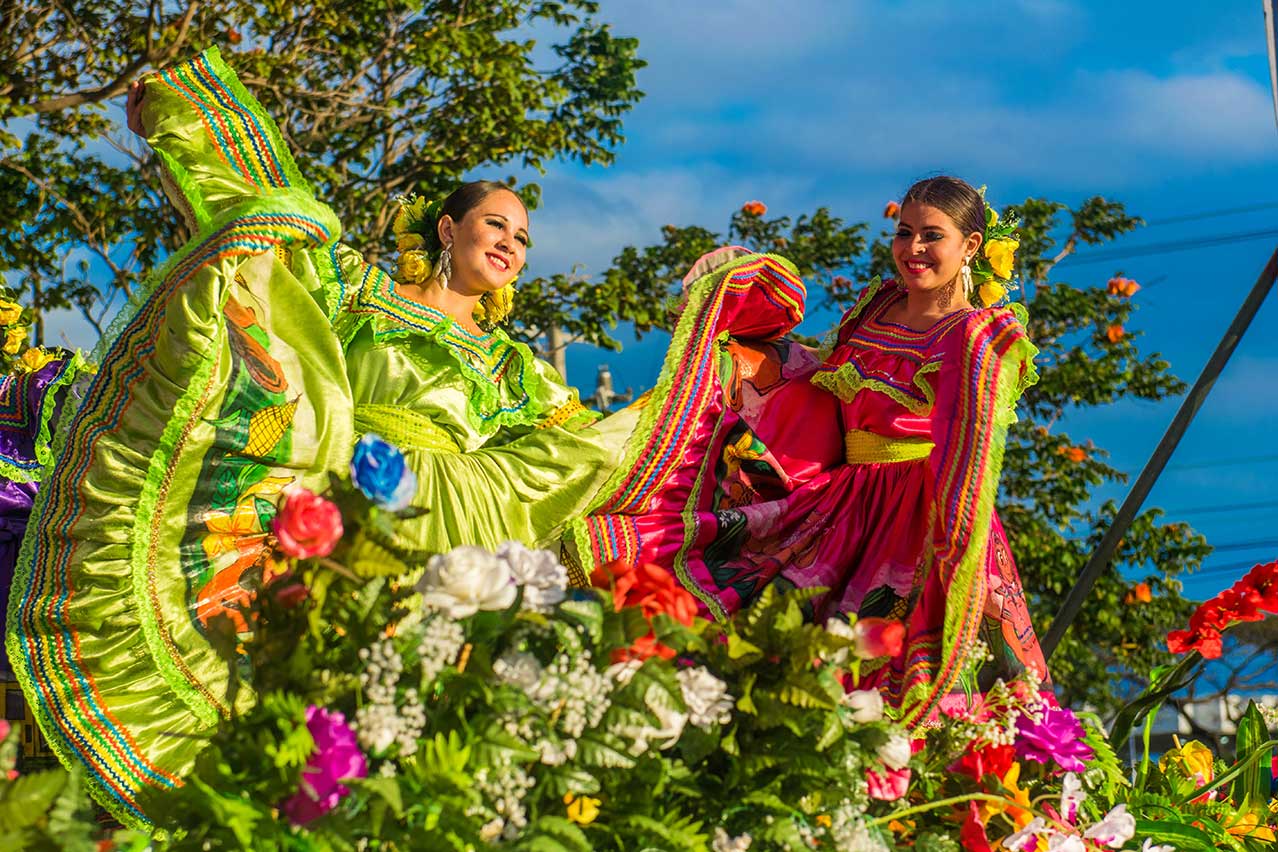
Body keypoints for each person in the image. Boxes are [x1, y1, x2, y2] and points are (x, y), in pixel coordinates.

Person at [4, 48, 805, 825]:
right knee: (304, 666)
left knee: (413, 697)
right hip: (350, 487)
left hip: (465, 523)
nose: (510, 246)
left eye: (523, 239)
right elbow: (268, 216)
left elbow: (599, 443)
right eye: (496, 224)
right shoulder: (361, 291)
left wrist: (716, 386)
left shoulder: (517, 367)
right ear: (449, 228)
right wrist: (184, 120)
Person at [573, 176, 1048, 726]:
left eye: (931, 235)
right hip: (843, 500)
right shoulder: (878, 306)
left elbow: (973, 443)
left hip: (924, 512)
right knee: (784, 642)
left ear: (970, 245)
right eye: (904, 232)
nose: (913, 249)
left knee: (902, 672)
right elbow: (817, 376)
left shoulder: (980, 335)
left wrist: (949, 539)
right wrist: (741, 351)